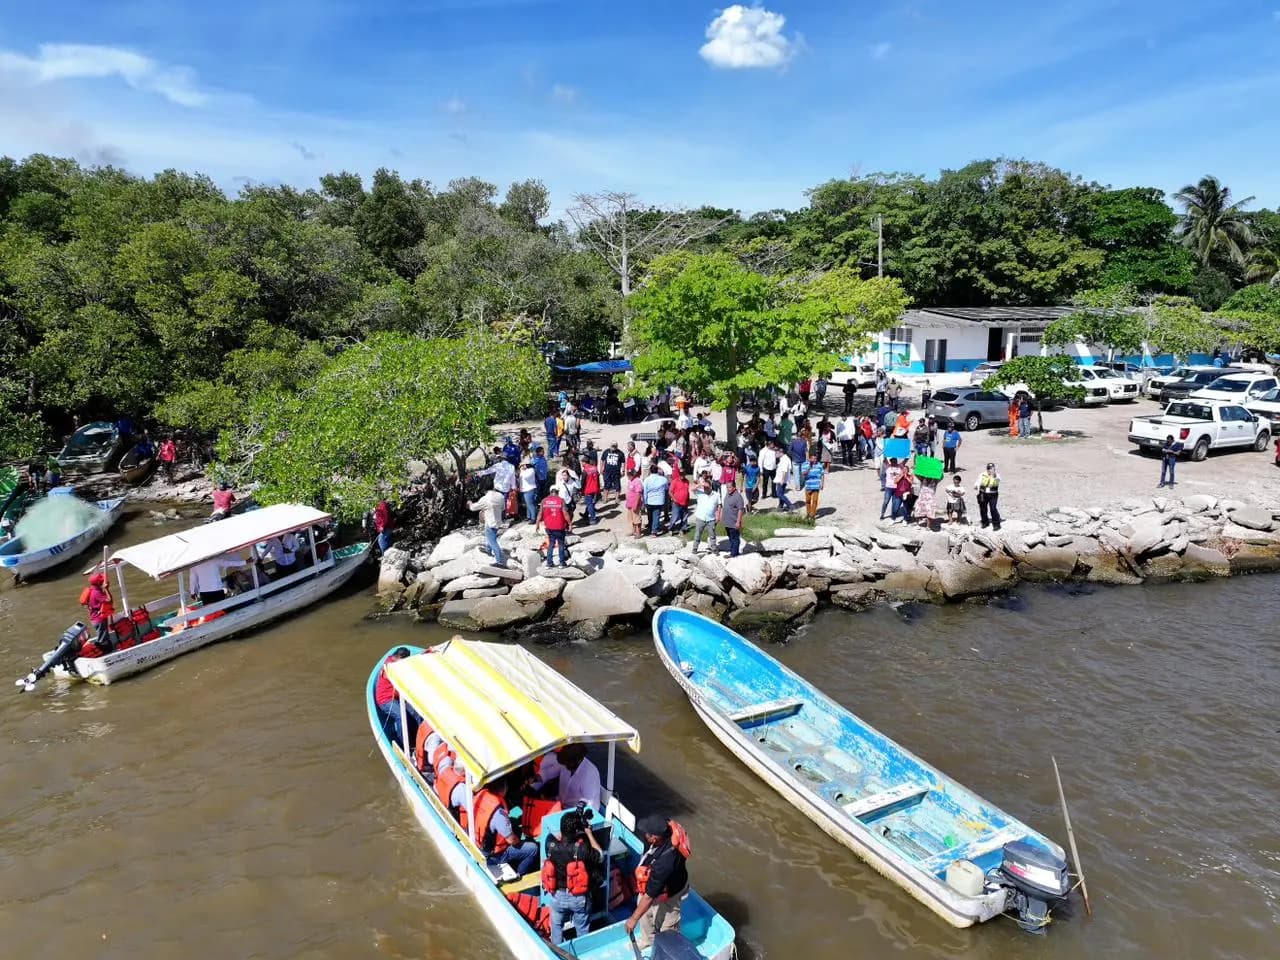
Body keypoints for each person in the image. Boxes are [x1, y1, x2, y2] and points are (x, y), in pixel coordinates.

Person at [626, 815, 691, 949]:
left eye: (647, 833)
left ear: (654, 838)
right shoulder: (665, 826)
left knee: (667, 925)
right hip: (655, 880)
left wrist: (633, 919)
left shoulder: (665, 863)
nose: (644, 834)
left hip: (671, 890)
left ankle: (668, 949)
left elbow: (649, 896)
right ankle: (647, 940)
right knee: (642, 907)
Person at [543, 806, 604, 946]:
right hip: (578, 899)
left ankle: (556, 952)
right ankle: (583, 951)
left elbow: (556, 836)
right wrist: (588, 833)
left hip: (557, 896)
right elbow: (600, 856)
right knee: (582, 929)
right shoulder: (582, 850)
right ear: (577, 831)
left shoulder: (550, 844)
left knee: (556, 927)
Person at [474, 780, 539, 878]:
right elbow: (512, 840)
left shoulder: (481, 795)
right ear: (504, 790)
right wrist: (520, 842)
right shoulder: (498, 813)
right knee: (533, 848)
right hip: (495, 855)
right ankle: (520, 874)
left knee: (514, 826)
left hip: (477, 842)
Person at [533, 743, 603, 809]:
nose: (565, 767)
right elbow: (547, 774)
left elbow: (592, 806)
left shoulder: (590, 774)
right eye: (564, 764)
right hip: (559, 803)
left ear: (579, 760)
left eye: (568, 764)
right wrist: (534, 778)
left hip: (574, 812)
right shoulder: (566, 762)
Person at [374, 646, 411, 741]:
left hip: (398, 697)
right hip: (385, 700)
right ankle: (403, 741)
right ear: (399, 658)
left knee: (415, 712)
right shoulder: (389, 666)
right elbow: (391, 676)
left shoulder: (395, 662)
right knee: (401, 717)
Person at [469, 484, 508, 567]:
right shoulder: (500, 496)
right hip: (498, 521)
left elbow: (473, 508)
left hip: (490, 522)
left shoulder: (485, 498)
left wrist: (470, 503)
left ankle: (499, 561)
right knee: (490, 537)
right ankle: (488, 550)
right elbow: (503, 508)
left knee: (492, 541)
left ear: (484, 490)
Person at [536, 488, 572, 566]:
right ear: (557, 492)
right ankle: (562, 563)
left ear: (550, 492)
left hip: (549, 527)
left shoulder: (544, 501)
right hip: (560, 527)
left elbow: (540, 513)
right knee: (561, 544)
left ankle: (549, 563)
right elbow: (565, 513)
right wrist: (569, 524)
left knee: (551, 544)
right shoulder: (561, 500)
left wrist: (537, 524)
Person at [79, 572, 115, 651]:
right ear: (99, 582)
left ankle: (102, 646)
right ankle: (104, 652)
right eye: (102, 580)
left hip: (94, 618)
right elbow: (110, 601)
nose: (103, 581)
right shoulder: (97, 593)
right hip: (99, 619)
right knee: (103, 638)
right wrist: (106, 589)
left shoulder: (91, 590)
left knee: (102, 635)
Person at [691, 474, 721, 553]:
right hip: (700, 517)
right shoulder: (700, 493)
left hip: (711, 519)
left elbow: (719, 505)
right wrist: (701, 484)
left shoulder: (716, 494)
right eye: (704, 488)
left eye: (707, 487)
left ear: (710, 487)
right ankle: (695, 548)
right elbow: (692, 489)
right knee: (698, 534)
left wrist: (718, 516)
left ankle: (714, 548)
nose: (705, 489)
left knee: (712, 535)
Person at [643, 466, 669, 536]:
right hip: (659, 500)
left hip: (649, 500)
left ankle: (652, 527)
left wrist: (644, 502)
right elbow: (666, 488)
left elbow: (645, 492)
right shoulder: (663, 479)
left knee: (650, 514)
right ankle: (654, 530)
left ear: (650, 471)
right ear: (657, 471)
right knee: (656, 515)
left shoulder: (646, 480)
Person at [975, 462, 1002, 530]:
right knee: (983, 509)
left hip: (993, 494)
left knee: (993, 509)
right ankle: (985, 522)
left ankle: (996, 524)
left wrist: (993, 475)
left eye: (991, 468)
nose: (989, 470)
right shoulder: (982, 474)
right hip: (983, 494)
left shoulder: (997, 475)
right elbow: (978, 482)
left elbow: (998, 479)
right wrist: (976, 486)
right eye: (988, 468)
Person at [669, 467, 691, 534]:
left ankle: (683, 529)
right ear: (679, 474)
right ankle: (671, 529)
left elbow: (687, 491)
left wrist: (688, 499)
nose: (682, 475)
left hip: (685, 502)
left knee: (684, 517)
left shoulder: (687, 481)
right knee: (675, 517)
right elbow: (670, 492)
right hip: (676, 503)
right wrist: (674, 499)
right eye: (681, 474)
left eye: (683, 474)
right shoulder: (675, 481)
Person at [773, 444, 793, 512]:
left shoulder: (784, 459)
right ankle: (780, 506)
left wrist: (782, 480)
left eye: (776, 453)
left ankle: (790, 505)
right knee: (781, 493)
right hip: (783, 479)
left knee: (779, 494)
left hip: (781, 479)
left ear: (781, 453)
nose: (775, 454)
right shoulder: (784, 458)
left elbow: (785, 470)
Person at [625, 469, 644, 538]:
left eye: (630, 475)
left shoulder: (637, 481)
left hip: (635, 504)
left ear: (633, 475)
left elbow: (638, 494)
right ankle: (634, 531)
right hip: (630, 503)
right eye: (628, 475)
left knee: (637, 519)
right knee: (632, 519)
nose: (629, 477)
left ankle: (638, 533)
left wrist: (636, 504)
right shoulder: (630, 481)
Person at [581, 458, 601, 525]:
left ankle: (593, 519)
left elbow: (583, 482)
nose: (581, 464)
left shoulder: (585, 471)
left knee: (589, 504)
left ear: (584, 462)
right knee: (590, 503)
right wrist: (598, 488)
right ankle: (586, 515)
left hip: (588, 489)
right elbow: (598, 479)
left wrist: (581, 491)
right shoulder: (595, 468)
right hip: (595, 488)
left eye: (582, 462)